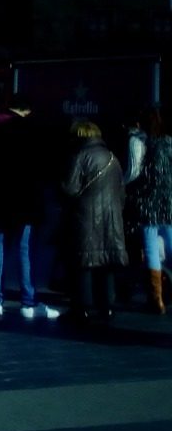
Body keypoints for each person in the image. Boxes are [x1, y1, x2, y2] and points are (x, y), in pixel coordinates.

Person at [0, 95, 59, 319]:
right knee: (24, 250)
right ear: (25, 111)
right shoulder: (30, 129)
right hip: (23, 202)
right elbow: (42, 166)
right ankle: (28, 302)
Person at [61, 119, 128, 324]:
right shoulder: (111, 157)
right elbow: (122, 192)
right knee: (106, 262)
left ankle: (83, 308)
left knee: (85, 263)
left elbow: (70, 189)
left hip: (86, 218)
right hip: (111, 219)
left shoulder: (80, 157)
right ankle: (107, 307)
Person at [125, 107, 171, 315]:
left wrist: (122, 185)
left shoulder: (140, 142)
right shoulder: (169, 143)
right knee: (171, 246)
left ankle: (156, 300)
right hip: (169, 202)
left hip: (147, 203)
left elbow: (133, 172)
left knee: (151, 249)